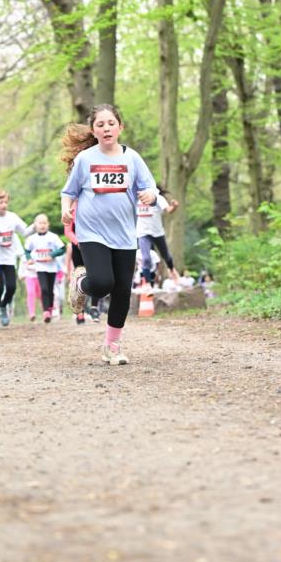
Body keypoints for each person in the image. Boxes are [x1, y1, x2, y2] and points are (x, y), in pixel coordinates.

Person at [61, 103, 157, 365]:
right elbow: (69, 192)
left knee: (122, 290)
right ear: (93, 130)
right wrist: (66, 210)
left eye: (111, 123)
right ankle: (81, 283)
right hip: (91, 232)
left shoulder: (132, 158)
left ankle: (112, 346)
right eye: (100, 124)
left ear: (120, 127)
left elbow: (150, 187)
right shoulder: (85, 159)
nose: (106, 128)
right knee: (102, 284)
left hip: (124, 234)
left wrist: (150, 195)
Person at [0, 189, 34, 329]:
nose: (4, 205)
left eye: (6, 202)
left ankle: (3, 306)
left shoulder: (13, 217)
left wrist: (35, 226)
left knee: (11, 287)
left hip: (9, 259)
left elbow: (25, 232)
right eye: (1, 202)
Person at [136, 181, 179, 285]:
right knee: (146, 258)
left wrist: (174, 206)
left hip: (157, 232)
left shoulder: (158, 198)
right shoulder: (136, 199)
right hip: (142, 233)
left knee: (166, 256)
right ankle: (147, 284)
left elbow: (169, 210)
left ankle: (171, 269)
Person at [24, 214, 65, 323]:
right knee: (44, 289)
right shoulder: (32, 238)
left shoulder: (53, 237)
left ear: (48, 224)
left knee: (50, 290)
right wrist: (29, 258)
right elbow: (27, 250)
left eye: (44, 223)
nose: (42, 225)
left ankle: (50, 308)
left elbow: (62, 249)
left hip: (52, 268)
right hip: (40, 267)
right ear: (35, 225)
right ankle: (46, 311)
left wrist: (52, 255)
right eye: (40, 223)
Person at [63, 203, 99, 324]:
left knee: (96, 276)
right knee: (81, 277)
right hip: (78, 247)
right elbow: (68, 231)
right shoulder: (70, 207)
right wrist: (79, 243)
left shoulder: (94, 204)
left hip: (94, 245)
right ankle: (80, 311)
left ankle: (94, 307)